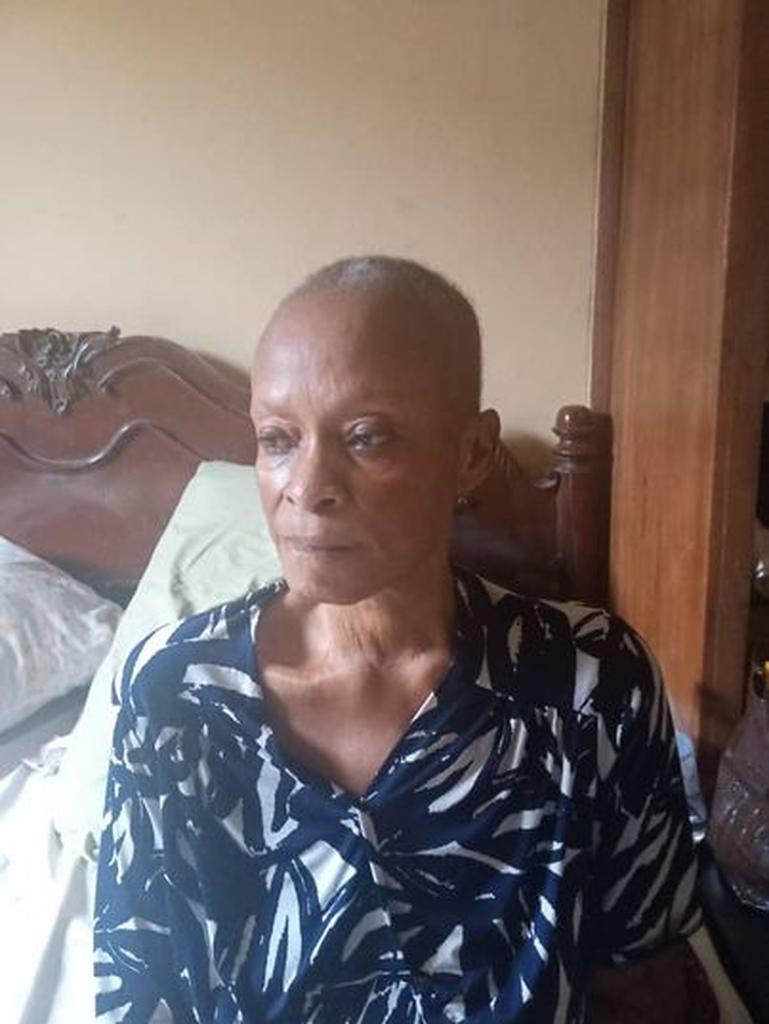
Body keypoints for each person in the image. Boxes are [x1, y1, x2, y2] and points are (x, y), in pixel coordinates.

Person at [94, 256, 703, 1024]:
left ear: (470, 453)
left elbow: (643, 984)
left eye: (366, 438)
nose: (306, 487)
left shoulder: (587, 682)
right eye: (277, 439)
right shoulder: (176, 694)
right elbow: (142, 992)